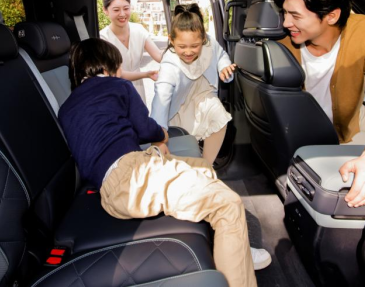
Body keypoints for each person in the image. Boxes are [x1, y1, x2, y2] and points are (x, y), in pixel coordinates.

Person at [58, 38, 270, 287]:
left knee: (203, 167)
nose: (121, 71)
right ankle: (236, 256)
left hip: (113, 186)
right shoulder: (118, 86)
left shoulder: (67, 108)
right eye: (119, 65)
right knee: (228, 204)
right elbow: (146, 128)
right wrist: (163, 135)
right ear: (107, 65)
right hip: (133, 177)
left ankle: (233, 247)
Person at [273, 0, 365, 208]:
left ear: (331, 16)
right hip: (307, 140)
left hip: (347, 130)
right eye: (285, 13)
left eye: (295, 16)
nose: (286, 23)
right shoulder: (280, 46)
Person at [150, 4, 235, 164]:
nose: (188, 52)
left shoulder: (210, 44)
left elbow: (221, 55)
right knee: (183, 146)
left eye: (195, 46)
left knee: (219, 116)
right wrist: (158, 137)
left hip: (204, 95)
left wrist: (224, 67)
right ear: (171, 40)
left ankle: (206, 165)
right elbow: (161, 99)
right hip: (181, 105)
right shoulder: (170, 64)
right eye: (182, 46)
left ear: (203, 39)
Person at [99, 0, 163, 104]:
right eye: (116, 10)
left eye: (126, 8)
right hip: (116, 92)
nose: (122, 14)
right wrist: (146, 74)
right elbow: (117, 73)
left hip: (138, 89)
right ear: (105, 10)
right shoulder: (103, 38)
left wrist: (183, 50)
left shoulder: (138, 30)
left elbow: (159, 55)